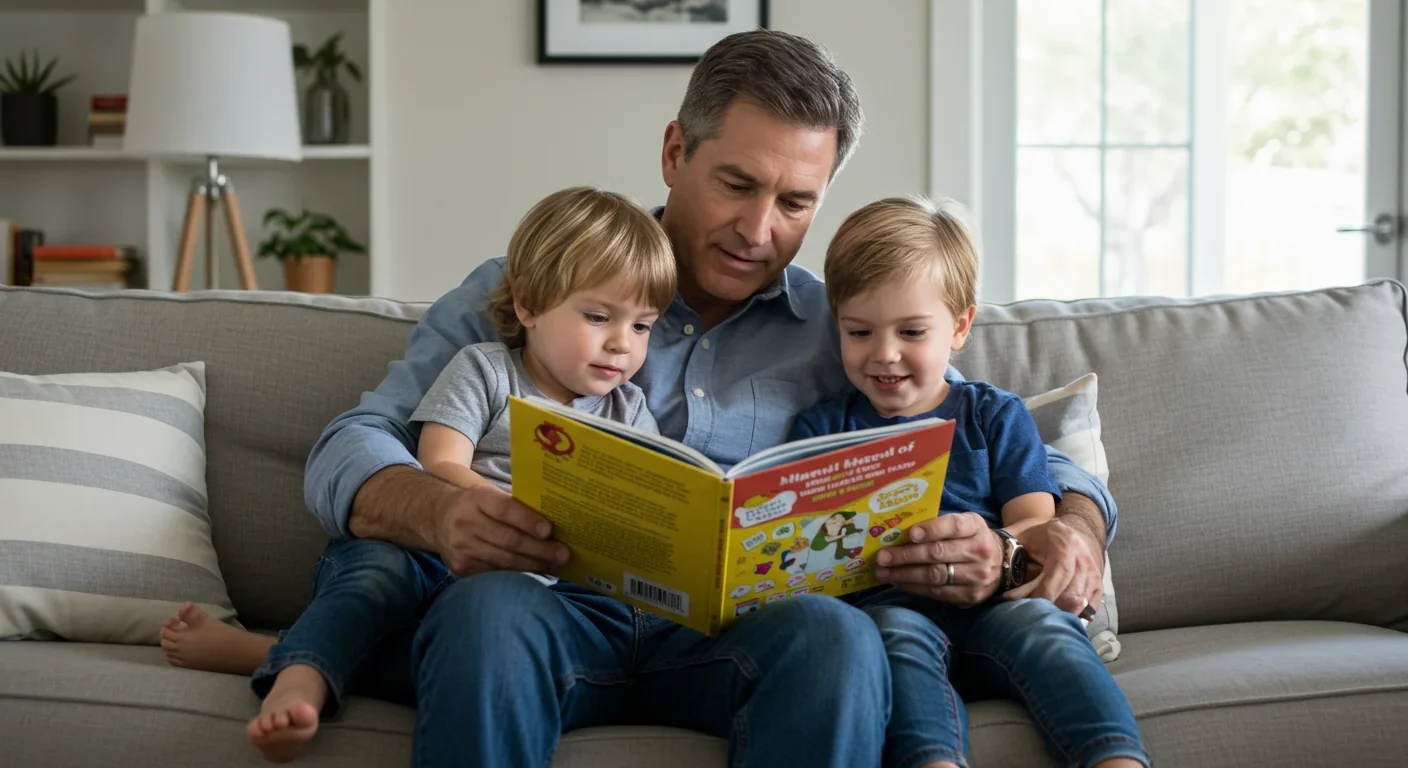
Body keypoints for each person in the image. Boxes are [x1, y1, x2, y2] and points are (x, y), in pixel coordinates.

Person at [169, 29, 1116, 766]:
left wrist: (1068, 526)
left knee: (836, 637)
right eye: (735, 184)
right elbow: (353, 442)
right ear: (674, 152)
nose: (758, 230)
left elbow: (1004, 436)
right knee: (485, 610)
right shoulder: (536, 284)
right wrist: (442, 508)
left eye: (795, 203)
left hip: (724, 637)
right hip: (545, 614)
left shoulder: (847, 329)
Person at [161, 186, 675, 763]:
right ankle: (300, 677)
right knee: (375, 574)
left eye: (644, 327)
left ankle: (269, 651)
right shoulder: (485, 369)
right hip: (428, 552)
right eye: (599, 317)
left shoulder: (628, 410)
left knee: (463, 648)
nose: (621, 345)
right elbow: (440, 460)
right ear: (529, 305)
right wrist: (501, 512)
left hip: (525, 599)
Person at [791, 196, 1148, 768]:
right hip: (890, 612)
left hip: (999, 606)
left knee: (1045, 628)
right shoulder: (822, 428)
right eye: (859, 332)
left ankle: (1115, 759)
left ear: (959, 327)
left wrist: (1013, 546)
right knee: (896, 640)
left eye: (911, 331)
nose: (884, 354)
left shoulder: (992, 415)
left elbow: (1034, 520)